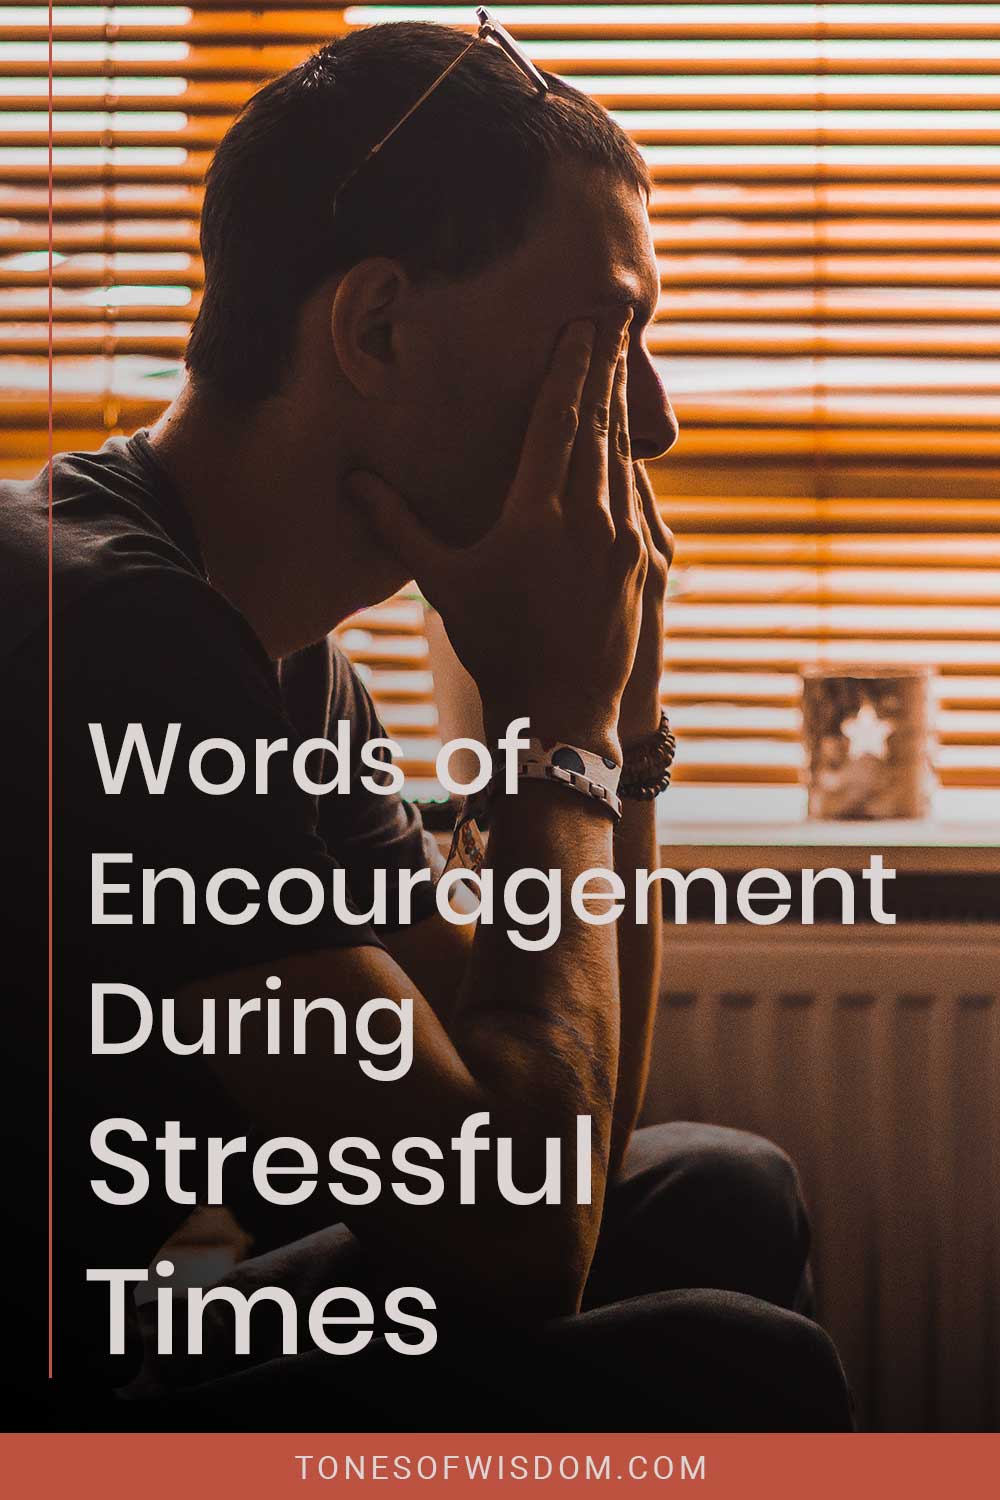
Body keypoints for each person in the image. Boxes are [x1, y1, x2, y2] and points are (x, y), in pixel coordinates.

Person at [0, 20, 852, 1431]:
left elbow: (545, 1138)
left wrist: (615, 719)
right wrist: (558, 724)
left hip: (132, 1321)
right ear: (378, 326)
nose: (653, 423)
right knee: (746, 1364)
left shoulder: (274, 654)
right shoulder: (114, 638)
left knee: (722, 1188)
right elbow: (519, 1242)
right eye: (609, 338)